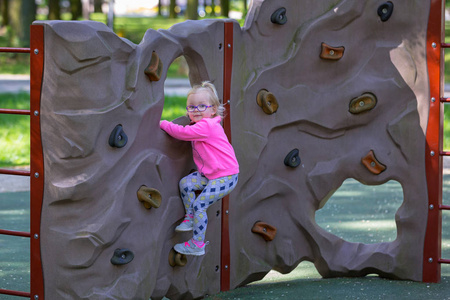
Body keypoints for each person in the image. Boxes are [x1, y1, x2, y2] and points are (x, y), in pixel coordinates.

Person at [160, 81, 239, 256]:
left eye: (202, 106)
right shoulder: (201, 125)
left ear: (213, 110)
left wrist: (164, 124)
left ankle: (197, 244)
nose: (196, 110)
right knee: (186, 184)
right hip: (212, 175)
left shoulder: (207, 126)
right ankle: (189, 218)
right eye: (191, 107)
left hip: (226, 176)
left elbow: (182, 133)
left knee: (200, 205)